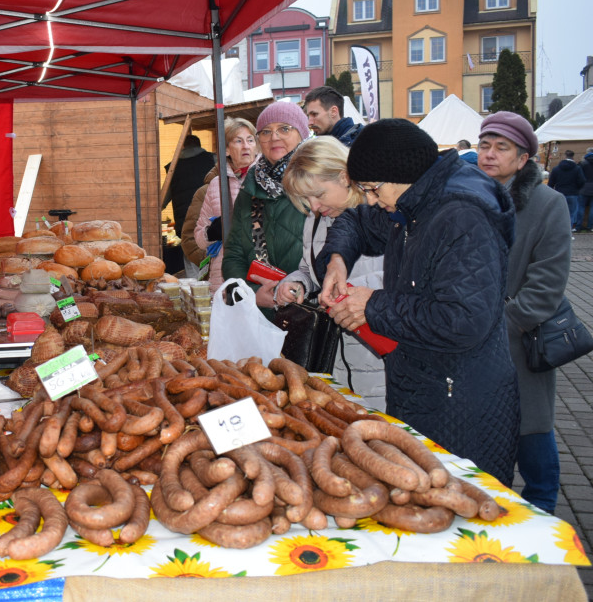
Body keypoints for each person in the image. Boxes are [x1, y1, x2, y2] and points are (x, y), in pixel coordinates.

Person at [317, 118, 520, 486]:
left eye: (373, 189)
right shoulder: (411, 202)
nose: (371, 200)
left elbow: (463, 320)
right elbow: (358, 221)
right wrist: (337, 258)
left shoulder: (462, 217)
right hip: (420, 387)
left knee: (459, 511)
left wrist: (373, 306)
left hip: (459, 401)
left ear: (402, 174)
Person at [477, 111, 571, 512]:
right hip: (471, 349)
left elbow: (547, 286)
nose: (490, 155)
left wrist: (497, 324)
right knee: (483, 466)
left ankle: (545, 547)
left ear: (523, 158)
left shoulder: (549, 204)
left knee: (538, 462)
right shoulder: (465, 195)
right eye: (484, 145)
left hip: (518, 344)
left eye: (502, 148)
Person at [275, 136, 386, 411]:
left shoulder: (382, 212)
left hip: (380, 363)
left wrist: (353, 289)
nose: (313, 206)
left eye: (319, 195)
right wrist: (298, 283)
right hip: (333, 357)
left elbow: (408, 278)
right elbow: (309, 269)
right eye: (305, 198)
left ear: (343, 176)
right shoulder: (315, 220)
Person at [221, 101, 310, 311]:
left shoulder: (316, 182)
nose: (274, 137)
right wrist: (252, 293)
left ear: (302, 133)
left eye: (284, 128)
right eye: (266, 131)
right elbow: (234, 253)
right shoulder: (250, 187)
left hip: (308, 309)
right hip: (260, 312)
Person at [195, 118, 258, 291]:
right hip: (222, 277)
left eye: (250, 140)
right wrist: (211, 231)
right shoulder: (216, 184)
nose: (246, 146)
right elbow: (199, 238)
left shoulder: (266, 180)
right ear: (227, 150)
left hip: (257, 273)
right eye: (238, 141)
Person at [163, 134, 216, 276]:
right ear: (199, 146)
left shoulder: (173, 167)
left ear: (183, 147)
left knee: (191, 260)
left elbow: (163, 199)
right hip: (212, 223)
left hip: (185, 225)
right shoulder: (212, 159)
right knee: (215, 260)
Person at [180, 164, 218, 275]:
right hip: (215, 276)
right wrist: (209, 261)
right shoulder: (205, 192)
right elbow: (189, 238)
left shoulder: (258, 188)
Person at [548, 149, 585, 232]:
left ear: (565, 156)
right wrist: (577, 188)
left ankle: (557, 231)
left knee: (559, 213)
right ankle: (568, 232)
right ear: (573, 157)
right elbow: (582, 181)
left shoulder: (556, 169)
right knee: (571, 214)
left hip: (559, 192)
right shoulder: (577, 169)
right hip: (573, 193)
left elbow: (551, 183)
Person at [577, 147, 593, 232]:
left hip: (584, 188)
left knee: (581, 207)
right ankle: (590, 226)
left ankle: (579, 226)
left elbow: (579, 177)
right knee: (592, 208)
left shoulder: (583, 163)